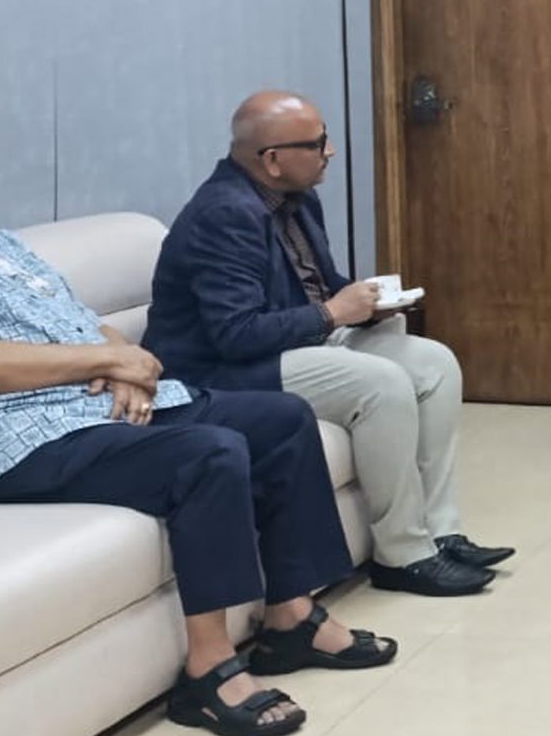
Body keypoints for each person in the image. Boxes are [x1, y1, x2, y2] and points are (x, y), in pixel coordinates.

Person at [0, 89, 395, 736]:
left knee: (280, 420)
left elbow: (85, 326)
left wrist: (126, 363)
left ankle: (290, 617)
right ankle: (208, 671)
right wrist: (110, 361)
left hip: (83, 411)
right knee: (208, 454)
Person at [144, 91, 509, 598]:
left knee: (434, 364)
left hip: (291, 345)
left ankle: (441, 532)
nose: (329, 152)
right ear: (273, 160)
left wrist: (369, 304)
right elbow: (236, 333)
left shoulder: (297, 199)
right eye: (317, 144)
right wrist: (335, 313)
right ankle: (404, 556)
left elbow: (319, 285)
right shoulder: (224, 215)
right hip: (219, 372)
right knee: (380, 383)